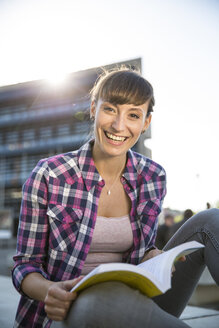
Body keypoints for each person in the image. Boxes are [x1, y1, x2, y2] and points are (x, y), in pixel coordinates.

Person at [12, 68, 219, 328]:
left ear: (145, 123)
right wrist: (48, 291)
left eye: (133, 115)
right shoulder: (50, 174)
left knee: (212, 221)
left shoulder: (153, 176)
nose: (119, 126)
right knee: (101, 299)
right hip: (69, 308)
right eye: (110, 109)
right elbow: (24, 266)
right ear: (93, 109)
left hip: (137, 298)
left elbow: (142, 251)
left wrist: (152, 255)